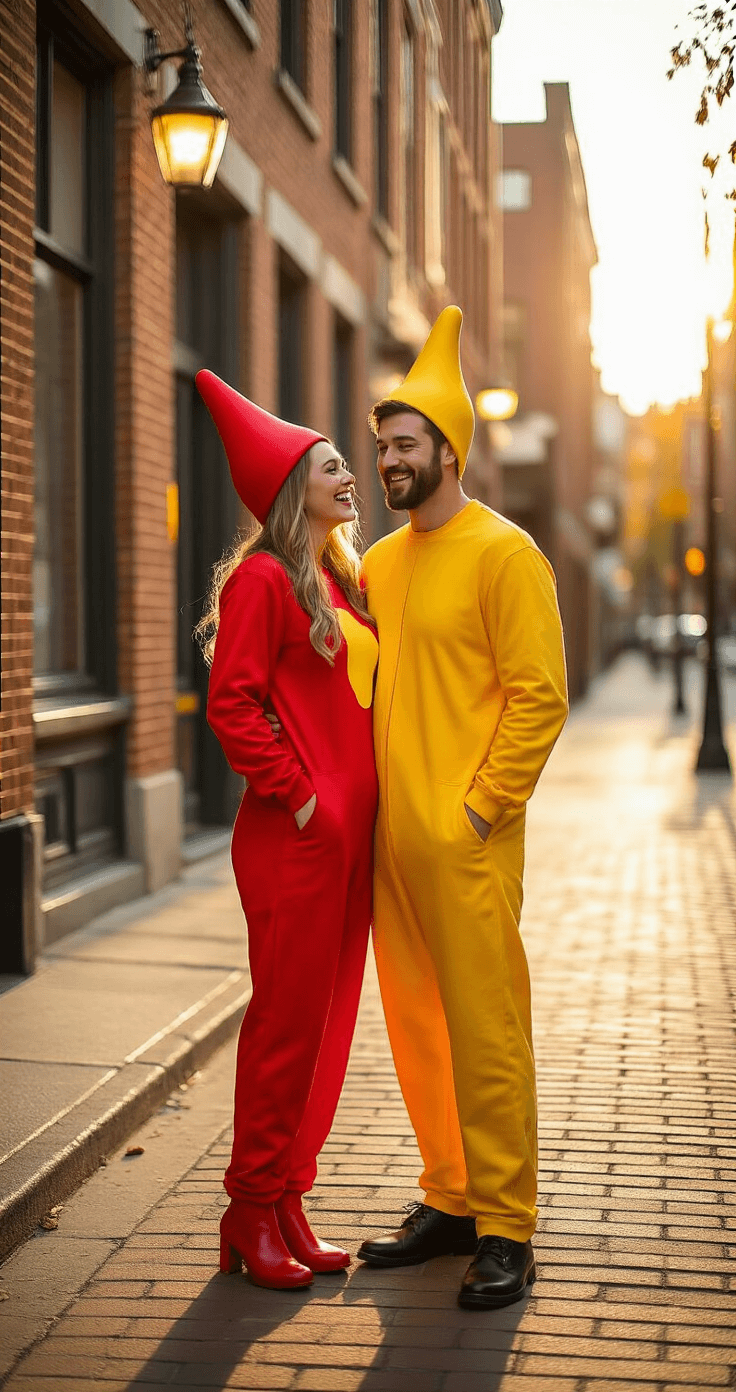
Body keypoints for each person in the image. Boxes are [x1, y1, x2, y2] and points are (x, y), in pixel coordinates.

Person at [356, 307, 569, 1309]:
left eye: (403, 446)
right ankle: (448, 1195)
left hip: (466, 845)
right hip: (390, 848)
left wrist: (479, 813)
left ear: (448, 449)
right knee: (417, 1027)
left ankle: (506, 1225)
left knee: (485, 1029)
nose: (387, 461)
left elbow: (539, 695)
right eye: (381, 446)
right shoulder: (378, 565)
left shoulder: (505, 554)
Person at [195, 371, 378, 1291]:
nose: (352, 474)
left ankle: (288, 1199)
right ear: (290, 488)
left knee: (327, 1029)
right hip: (297, 845)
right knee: (282, 1029)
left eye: (347, 462)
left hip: (349, 848)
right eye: (333, 465)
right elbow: (233, 707)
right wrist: (304, 800)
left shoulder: (342, 578)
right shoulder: (264, 581)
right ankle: (247, 1208)